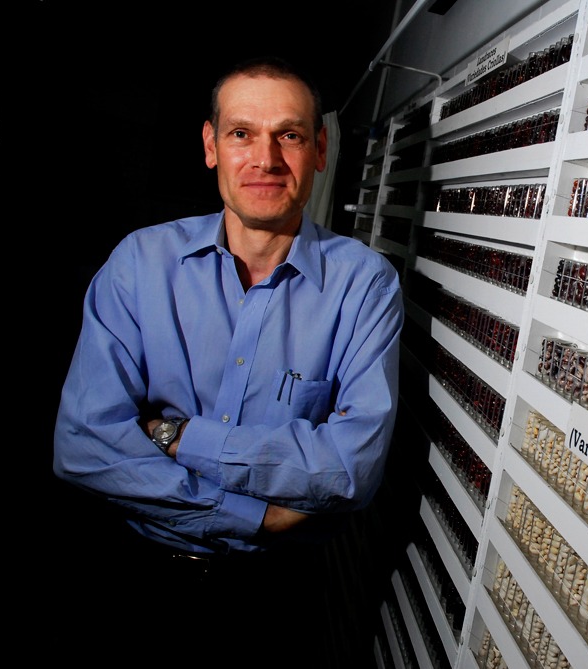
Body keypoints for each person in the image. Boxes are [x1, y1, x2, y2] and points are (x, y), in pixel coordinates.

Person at [53, 56, 403, 663]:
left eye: (288, 135)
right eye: (242, 133)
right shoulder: (141, 264)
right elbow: (83, 445)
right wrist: (255, 515)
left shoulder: (364, 286)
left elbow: (350, 469)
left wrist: (174, 436)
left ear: (319, 150)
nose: (265, 159)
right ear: (212, 145)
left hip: (277, 599)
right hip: (131, 579)